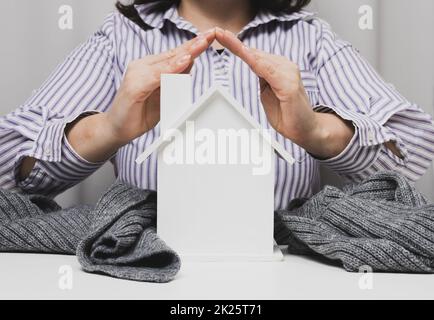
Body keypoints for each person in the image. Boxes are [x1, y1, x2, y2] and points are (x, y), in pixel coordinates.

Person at [1, 0, 433, 209]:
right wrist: (110, 128)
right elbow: (9, 172)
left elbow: (411, 156)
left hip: (287, 271)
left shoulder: (311, 37)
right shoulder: (122, 37)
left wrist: (316, 131)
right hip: (146, 263)